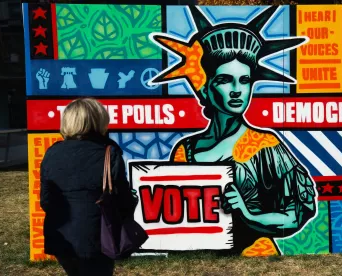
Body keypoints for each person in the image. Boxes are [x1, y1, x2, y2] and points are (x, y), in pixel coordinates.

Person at [151, 6, 318, 254]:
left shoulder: (265, 145)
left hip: (256, 258)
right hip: (200, 264)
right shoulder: (185, 151)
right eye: (225, 80)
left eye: (245, 80)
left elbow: (296, 213)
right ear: (205, 90)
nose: (237, 90)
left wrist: (249, 215)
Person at [40, 98, 138, 276]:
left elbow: (46, 201)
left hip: (61, 238)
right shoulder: (109, 152)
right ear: (99, 120)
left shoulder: (52, 152)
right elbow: (122, 200)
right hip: (99, 238)